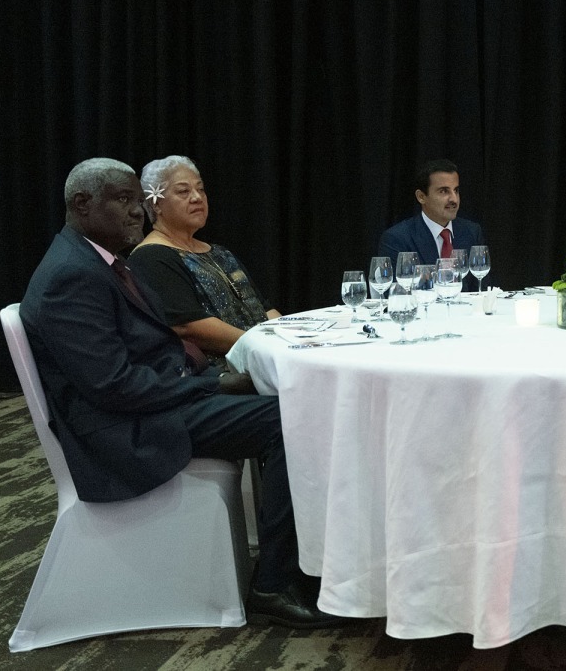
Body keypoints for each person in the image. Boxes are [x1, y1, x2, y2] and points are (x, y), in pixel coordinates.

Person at [19, 158, 342, 628]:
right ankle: (274, 584)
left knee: (295, 407)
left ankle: (306, 562)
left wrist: (206, 379)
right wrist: (210, 382)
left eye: (138, 199)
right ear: (82, 204)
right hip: (124, 432)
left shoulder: (97, 261)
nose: (137, 212)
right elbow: (113, 385)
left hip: (150, 406)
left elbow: (147, 356)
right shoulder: (71, 275)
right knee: (289, 420)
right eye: (125, 200)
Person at [126, 156, 280, 368]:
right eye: (183, 191)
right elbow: (190, 326)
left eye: (201, 189)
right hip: (220, 377)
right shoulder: (151, 256)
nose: (197, 197)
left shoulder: (220, 252)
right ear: (156, 204)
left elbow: (264, 309)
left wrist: (293, 339)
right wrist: (264, 347)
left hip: (262, 356)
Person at [378, 159, 486, 291]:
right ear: (421, 197)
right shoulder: (397, 238)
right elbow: (395, 297)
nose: (454, 199)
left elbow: (482, 290)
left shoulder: (471, 232)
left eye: (456, 190)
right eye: (443, 191)